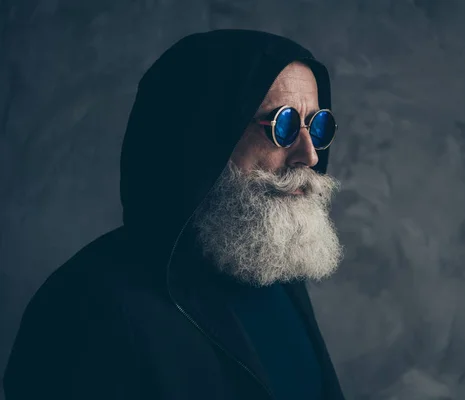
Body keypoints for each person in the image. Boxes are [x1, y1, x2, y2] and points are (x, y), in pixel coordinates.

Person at [3, 29, 346, 399]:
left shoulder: (275, 275)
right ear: (204, 135)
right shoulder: (83, 305)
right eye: (283, 125)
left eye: (318, 124)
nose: (309, 155)